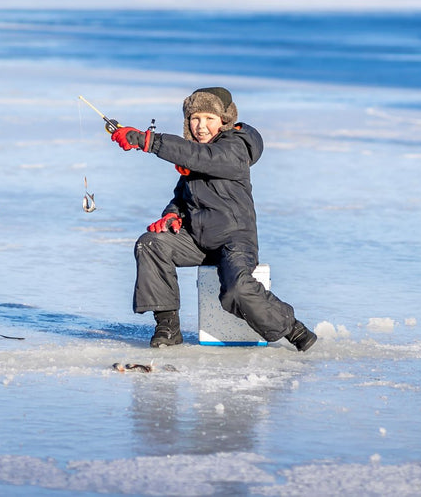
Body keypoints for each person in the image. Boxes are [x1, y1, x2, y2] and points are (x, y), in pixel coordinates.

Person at [109, 86, 316, 352]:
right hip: (197, 240)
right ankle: (168, 328)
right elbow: (182, 196)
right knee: (151, 244)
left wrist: (148, 141)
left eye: (209, 118)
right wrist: (172, 215)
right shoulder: (194, 155)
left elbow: (206, 158)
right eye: (195, 118)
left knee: (237, 291)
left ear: (225, 120)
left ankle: (294, 329)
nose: (201, 126)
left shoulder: (236, 148)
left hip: (234, 240)